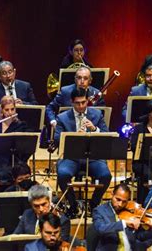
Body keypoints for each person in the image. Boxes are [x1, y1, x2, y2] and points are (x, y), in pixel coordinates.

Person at [54, 87, 111, 217]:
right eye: (77, 103)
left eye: (83, 102)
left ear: (87, 101)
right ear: (71, 102)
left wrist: (95, 129)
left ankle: (93, 204)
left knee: (106, 175)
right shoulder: (62, 118)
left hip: (93, 157)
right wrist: (73, 136)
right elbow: (57, 139)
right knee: (62, 174)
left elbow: (107, 135)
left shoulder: (97, 115)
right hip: (71, 157)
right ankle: (73, 206)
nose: (81, 106)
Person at [93, 184, 152, 251]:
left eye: (124, 202)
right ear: (112, 194)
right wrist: (123, 223)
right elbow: (100, 229)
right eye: (118, 199)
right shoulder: (100, 211)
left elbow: (139, 236)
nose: (120, 204)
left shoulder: (130, 212)